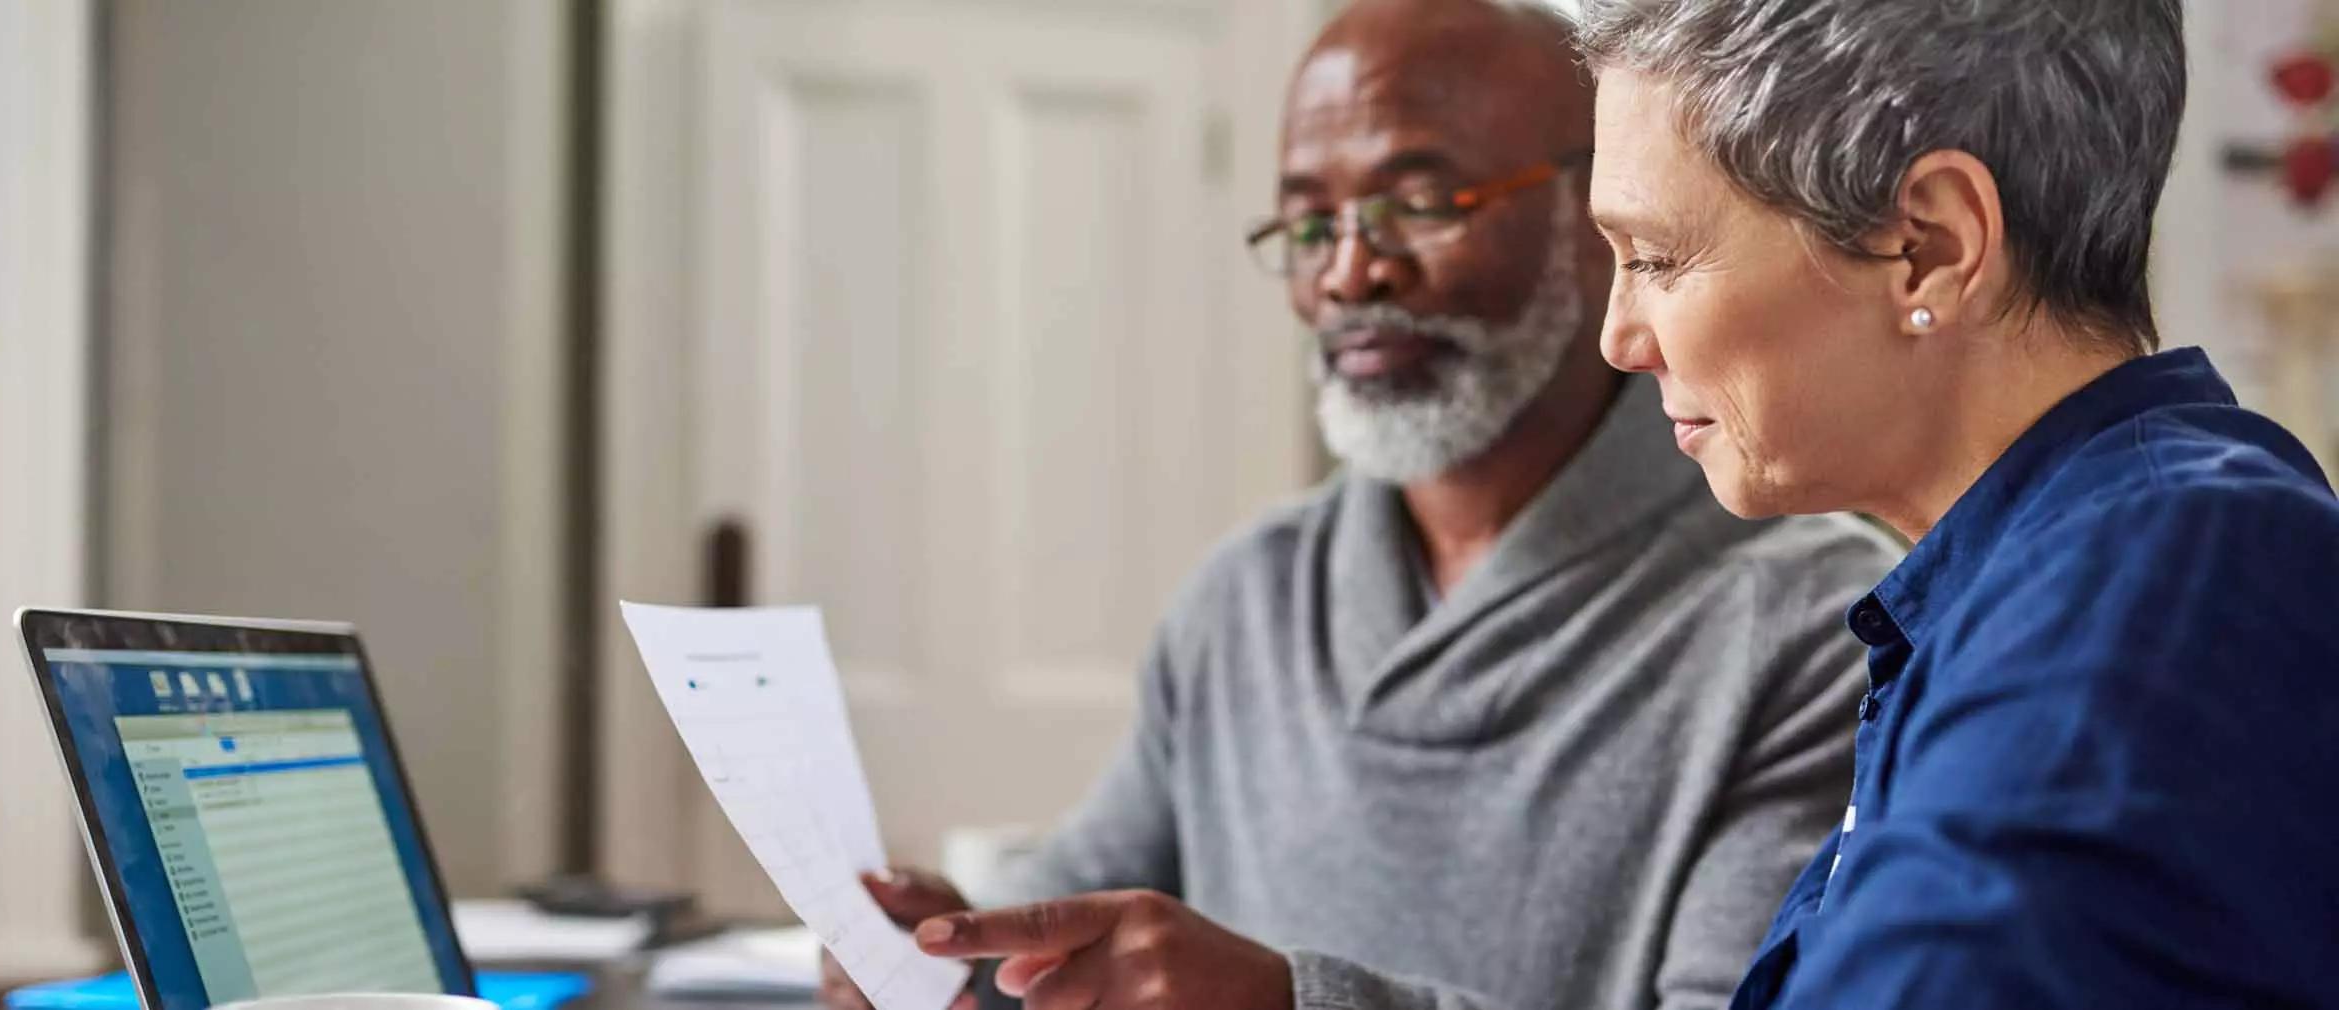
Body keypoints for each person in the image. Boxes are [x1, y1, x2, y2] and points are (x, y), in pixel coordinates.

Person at [841, 2, 1899, 1008]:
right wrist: (961, 958)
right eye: (1309, 222)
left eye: (1422, 202)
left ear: (1600, 215)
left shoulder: (1816, 628)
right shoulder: (1247, 596)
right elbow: (1080, 926)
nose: (1350, 272)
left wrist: (1293, 999)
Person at [1559, 0, 2339, 1006]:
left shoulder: (2157, 581)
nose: (1621, 336)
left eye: (1656, 257)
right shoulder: (2062, 580)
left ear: (1929, 246)